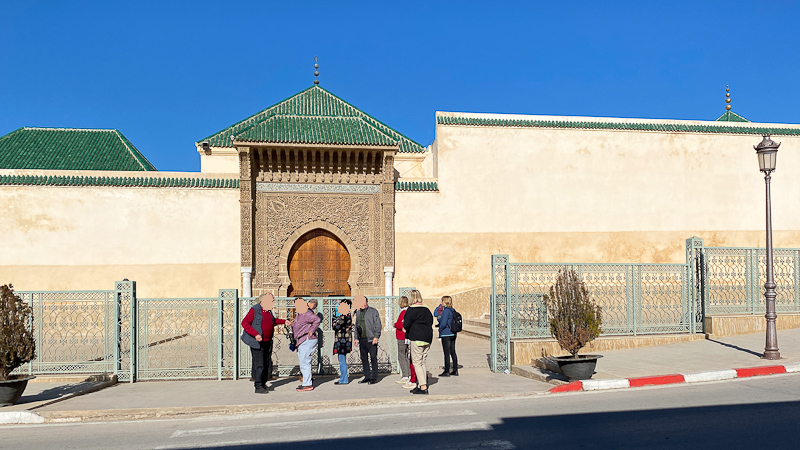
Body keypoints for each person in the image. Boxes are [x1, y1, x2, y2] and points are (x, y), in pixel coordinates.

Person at [240, 293, 286, 394]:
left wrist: (284, 321)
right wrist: (256, 334)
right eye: (271, 300)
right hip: (257, 342)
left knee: (265, 363)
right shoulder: (255, 309)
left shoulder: (268, 311)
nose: (273, 302)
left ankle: (263, 383)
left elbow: (272, 321)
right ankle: (258, 386)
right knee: (259, 364)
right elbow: (245, 323)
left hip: (267, 341)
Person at [402, 289, 433, 395]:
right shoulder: (426, 309)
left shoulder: (411, 310)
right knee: (423, 362)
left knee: (416, 362)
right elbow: (431, 322)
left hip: (417, 338)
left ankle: (423, 386)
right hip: (427, 338)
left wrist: (405, 329)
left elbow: (406, 325)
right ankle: (421, 384)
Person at [292, 297, 321, 392]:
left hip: (306, 340)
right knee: (303, 362)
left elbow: (317, 320)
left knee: (305, 362)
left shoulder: (306, 313)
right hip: (301, 340)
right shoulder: (300, 314)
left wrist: (311, 330)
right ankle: (306, 381)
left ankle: (307, 384)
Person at [352, 295, 381, 384]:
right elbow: (357, 326)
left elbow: (378, 324)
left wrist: (376, 336)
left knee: (373, 358)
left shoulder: (373, 311)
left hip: (371, 339)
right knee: (364, 359)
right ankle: (367, 376)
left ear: (367, 303)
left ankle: (374, 377)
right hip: (362, 339)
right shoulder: (358, 313)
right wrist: (356, 338)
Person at [332, 299, 353, 385]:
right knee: (342, 359)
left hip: (342, 341)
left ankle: (343, 379)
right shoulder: (346, 316)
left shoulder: (344, 316)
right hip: (343, 340)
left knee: (342, 360)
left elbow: (336, 326)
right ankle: (343, 378)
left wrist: (334, 324)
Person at [437, 295, 459, 377]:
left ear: (445, 302)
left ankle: (446, 371)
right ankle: (455, 369)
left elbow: (443, 323)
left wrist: (440, 330)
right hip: (453, 333)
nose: (441, 302)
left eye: (442, 301)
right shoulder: (452, 310)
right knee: (452, 351)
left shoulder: (446, 311)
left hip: (446, 333)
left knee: (446, 353)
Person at [393, 295, 412, 385]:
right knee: (406, 356)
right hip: (406, 337)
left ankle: (405, 375)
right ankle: (408, 374)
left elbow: (401, 325)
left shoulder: (403, 312)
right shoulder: (408, 311)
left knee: (401, 356)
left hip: (401, 337)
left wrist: (395, 324)